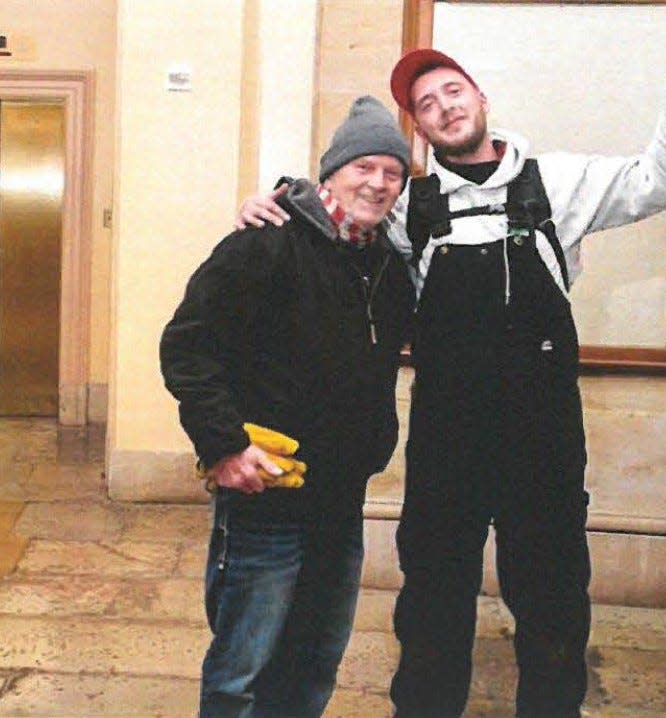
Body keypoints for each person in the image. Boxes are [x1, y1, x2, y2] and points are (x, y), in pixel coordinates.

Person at [236, 20, 666, 718]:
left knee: (551, 598)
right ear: (420, 131)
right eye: (426, 105)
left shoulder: (559, 184)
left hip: (542, 439)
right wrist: (270, 204)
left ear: (480, 98)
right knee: (432, 600)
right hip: (447, 438)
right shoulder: (410, 209)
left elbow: (665, 177)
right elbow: (338, 211)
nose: (444, 107)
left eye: (452, 91)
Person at [161, 96, 415, 718]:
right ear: (331, 173)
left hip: (340, 500)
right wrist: (221, 445)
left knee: (314, 662)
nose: (378, 183)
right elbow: (187, 345)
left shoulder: (388, 262)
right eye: (365, 168)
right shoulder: (266, 243)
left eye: (393, 173)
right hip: (266, 500)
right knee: (242, 669)